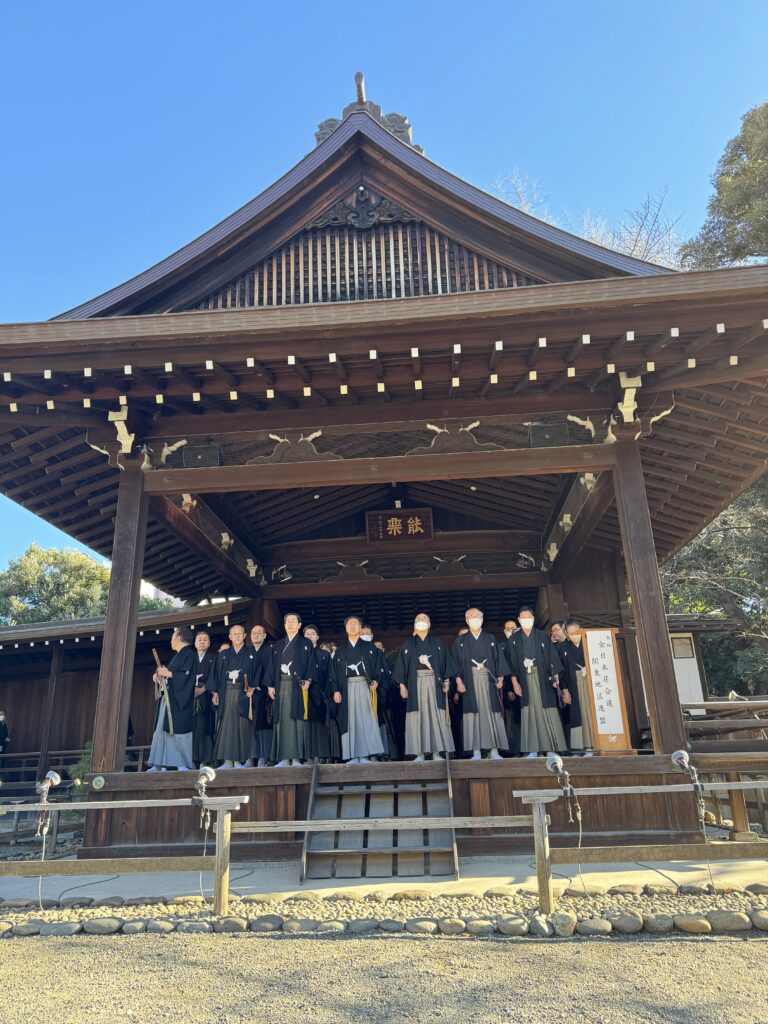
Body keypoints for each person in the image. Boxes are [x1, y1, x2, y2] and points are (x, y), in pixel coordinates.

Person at [505, 607, 567, 757]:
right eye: (523, 617)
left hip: (543, 678)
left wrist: (555, 677)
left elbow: (552, 657)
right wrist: (514, 682)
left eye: (529, 617)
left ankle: (551, 749)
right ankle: (532, 749)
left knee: (547, 712)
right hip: (524, 679)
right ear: (519, 620)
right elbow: (511, 662)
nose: (526, 620)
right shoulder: (514, 639)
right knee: (529, 713)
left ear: (533, 618)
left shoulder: (542, 636)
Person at [394, 613, 455, 762]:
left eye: (424, 619)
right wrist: (402, 685)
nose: (421, 621)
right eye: (418, 620)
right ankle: (419, 753)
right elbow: (401, 667)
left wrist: (446, 682)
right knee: (417, 717)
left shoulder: (438, 643)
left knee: (435, 715)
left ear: (429, 624)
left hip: (435, 683)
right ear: (414, 625)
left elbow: (446, 664)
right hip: (415, 684)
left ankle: (436, 753)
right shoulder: (407, 645)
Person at [451, 608, 510, 760]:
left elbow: (499, 660)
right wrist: (458, 681)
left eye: (477, 616)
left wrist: (501, 679)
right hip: (469, 680)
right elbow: (455, 663)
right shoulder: (460, 641)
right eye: (471, 616)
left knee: (492, 713)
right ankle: (476, 751)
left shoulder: (490, 639)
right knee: (473, 714)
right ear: (466, 620)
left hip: (488, 679)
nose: (474, 618)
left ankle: (494, 750)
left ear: (482, 619)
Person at [329, 615, 387, 764]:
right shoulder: (340, 651)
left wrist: (376, 681)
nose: (352, 626)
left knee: (367, 719)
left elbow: (378, 668)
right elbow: (333, 673)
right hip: (346, 687)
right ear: (346, 628)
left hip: (364, 686)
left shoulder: (370, 648)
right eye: (349, 624)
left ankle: (368, 754)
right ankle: (353, 755)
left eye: (355, 624)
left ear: (360, 628)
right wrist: (335, 690)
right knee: (350, 721)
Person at [209, 624, 262, 768]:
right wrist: (215, 692)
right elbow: (215, 675)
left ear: (245, 636)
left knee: (242, 726)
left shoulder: (252, 654)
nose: (237, 636)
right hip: (226, 693)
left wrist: (252, 688)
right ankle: (227, 761)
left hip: (243, 694)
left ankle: (240, 761)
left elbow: (258, 674)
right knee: (226, 726)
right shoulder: (222, 655)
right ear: (230, 637)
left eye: (240, 634)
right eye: (234, 634)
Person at [269, 613, 317, 767]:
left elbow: (311, 664)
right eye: (287, 622)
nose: (290, 624)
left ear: (299, 625)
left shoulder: (306, 643)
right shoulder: (278, 645)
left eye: (293, 621)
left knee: (297, 719)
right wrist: (270, 685)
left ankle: (296, 758)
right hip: (281, 684)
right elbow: (271, 666)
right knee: (281, 719)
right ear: (284, 625)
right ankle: (283, 758)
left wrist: (308, 681)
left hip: (298, 685)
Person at [147, 627, 197, 772]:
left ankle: (181, 763)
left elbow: (187, 676)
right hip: (169, 699)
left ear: (178, 638)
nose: (171, 642)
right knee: (162, 729)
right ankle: (159, 764)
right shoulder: (179, 655)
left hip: (179, 701)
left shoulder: (189, 654)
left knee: (179, 730)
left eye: (172, 638)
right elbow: (172, 676)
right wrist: (160, 676)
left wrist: (168, 673)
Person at [558, 619, 594, 756]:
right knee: (579, 715)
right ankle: (581, 746)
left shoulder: (590, 644)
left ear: (582, 629)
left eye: (576, 632)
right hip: (573, 685)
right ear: (566, 633)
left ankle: (594, 745)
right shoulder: (564, 649)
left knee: (591, 713)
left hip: (590, 683)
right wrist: (565, 690)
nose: (574, 635)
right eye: (571, 633)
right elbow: (562, 673)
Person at [243, 624, 274, 767]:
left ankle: (264, 756)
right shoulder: (246, 652)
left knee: (264, 726)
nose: (256, 635)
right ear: (250, 636)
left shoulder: (269, 651)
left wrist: (256, 686)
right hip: (248, 694)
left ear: (265, 635)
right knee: (249, 727)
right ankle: (250, 757)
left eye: (259, 633)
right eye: (253, 633)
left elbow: (269, 671)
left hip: (264, 694)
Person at [302, 624, 333, 762]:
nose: (309, 635)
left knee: (320, 726)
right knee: (305, 725)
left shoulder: (325, 654)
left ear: (317, 637)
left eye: (312, 633)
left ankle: (320, 755)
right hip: (303, 693)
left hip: (320, 693)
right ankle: (306, 755)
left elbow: (330, 675)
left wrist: (326, 693)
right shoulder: (299, 654)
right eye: (307, 634)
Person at [191, 630, 216, 767]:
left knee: (205, 728)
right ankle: (192, 759)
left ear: (209, 643)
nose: (202, 641)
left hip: (206, 696)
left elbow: (215, 676)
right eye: (199, 639)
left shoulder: (214, 658)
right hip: (191, 697)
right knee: (192, 728)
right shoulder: (189, 658)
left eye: (205, 639)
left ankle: (205, 760)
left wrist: (203, 689)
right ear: (195, 643)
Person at [501, 620, 522, 756]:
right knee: (514, 720)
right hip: (510, 688)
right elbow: (503, 671)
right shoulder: (502, 647)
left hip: (527, 686)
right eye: (508, 628)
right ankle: (515, 749)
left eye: (513, 628)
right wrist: (508, 689)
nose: (510, 630)